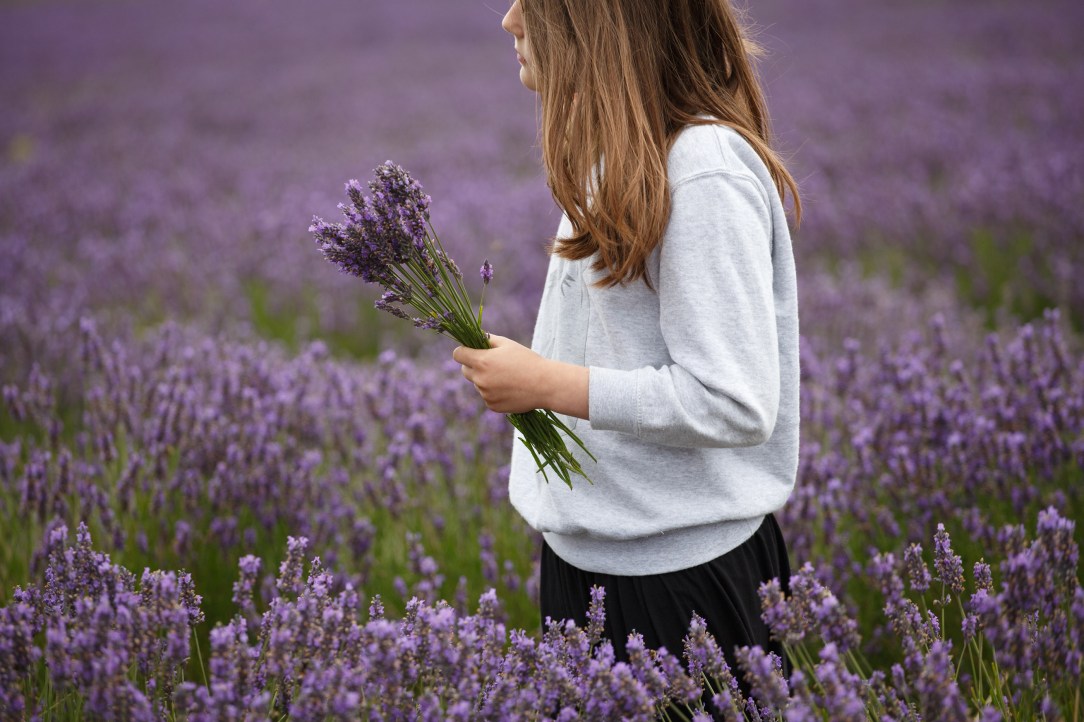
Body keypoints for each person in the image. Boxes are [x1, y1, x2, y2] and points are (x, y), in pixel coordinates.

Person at [452, 0, 800, 703]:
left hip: (682, 583)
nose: (510, 20)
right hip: (589, 565)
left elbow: (732, 401)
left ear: (597, 22)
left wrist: (545, 383)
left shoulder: (700, 170)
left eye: (533, 3)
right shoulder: (618, 157)